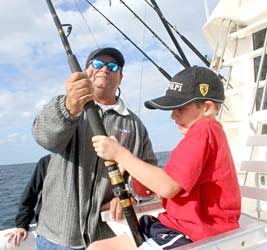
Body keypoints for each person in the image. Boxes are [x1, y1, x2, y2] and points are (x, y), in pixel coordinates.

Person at [90, 66, 241, 250]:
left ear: (207, 108)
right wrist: (134, 177)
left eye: (180, 109)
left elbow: (167, 187)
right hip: (173, 226)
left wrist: (120, 154)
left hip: (197, 235)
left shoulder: (205, 130)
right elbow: (165, 186)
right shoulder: (203, 136)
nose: (172, 115)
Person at [31, 47, 157, 249]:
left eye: (112, 66)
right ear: (86, 71)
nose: (104, 69)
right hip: (55, 237)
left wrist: (129, 193)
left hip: (106, 238)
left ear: (120, 77)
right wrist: (71, 105)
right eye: (97, 64)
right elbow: (45, 138)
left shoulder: (134, 124)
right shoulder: (65, 106)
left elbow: (147, 171)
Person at [5, 154, 50, 247]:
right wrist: (22, 224)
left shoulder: (87, 163)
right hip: (47, 235)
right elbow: (30, 195)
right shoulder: (46, 162)